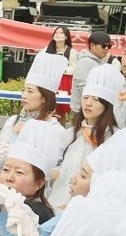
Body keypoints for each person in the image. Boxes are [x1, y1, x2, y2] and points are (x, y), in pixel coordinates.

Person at [50, 64, 122, 208]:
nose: (88, 103)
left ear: (107, 104)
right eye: (86, 97)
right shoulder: (71, 134)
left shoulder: (115, 140)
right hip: (56, 204)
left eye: (96, 99)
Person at [0, 51, 67, 176]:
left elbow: (52, 172)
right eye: (24, 90)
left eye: (30, 91)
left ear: (44, 98)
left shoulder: (55, 131)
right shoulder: (12, 122)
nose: (24, 96)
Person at [69, 30, 111, 115]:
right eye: (103, 46)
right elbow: (82, 86)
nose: (106, 48)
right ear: (92, 45)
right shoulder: (84, 62)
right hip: (81, 110)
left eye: (109, 46)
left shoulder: (101, 62)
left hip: (94, 109)